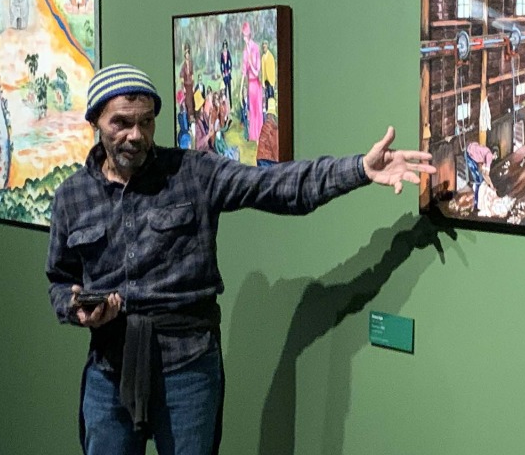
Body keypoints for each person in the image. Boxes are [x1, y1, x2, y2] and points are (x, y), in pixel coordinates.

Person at [45, 64, 435, 455]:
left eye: (146, 122)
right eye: (121, 123)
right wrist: (77, 309)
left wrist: (360, 169)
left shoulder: (191, 173)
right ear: (95, 121)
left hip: (186, 367)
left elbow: (276, 186)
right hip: (110, 367)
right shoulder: (71, 198)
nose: (136, 135)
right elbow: (60, 281)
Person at [241, 21, 262, 141]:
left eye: (245, 36)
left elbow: (257, 71)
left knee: (257, 109)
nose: (244, 38)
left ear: (248, 35)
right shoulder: (245, 51)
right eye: (243, 36)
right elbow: (244, 71)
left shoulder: (255, 48)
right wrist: (240, 90)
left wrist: (250, 63)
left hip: (256, 83)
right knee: (252, 109)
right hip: (250, 84)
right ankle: (253, 135)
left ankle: (259, 134)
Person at [464, 141, 495, 211]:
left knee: (480, 179)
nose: (495, 157)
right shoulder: (489, 156)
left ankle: (477, 204)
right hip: (470, 155)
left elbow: (484, 173)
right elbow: (486, 174)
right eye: (495, 156)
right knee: (478, 181)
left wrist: (490, 184)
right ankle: (476, 205)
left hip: (471, 150)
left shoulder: (486, 155)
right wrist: (491, 186)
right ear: (494, 154)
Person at [261, 40, 276, 106]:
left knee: (271, 96)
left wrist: (273, 82)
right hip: (265, 80)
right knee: (266, 97)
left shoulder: (271, 56)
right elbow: (262, 70)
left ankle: (271, 109)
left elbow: (273, 70)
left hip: (270, 80)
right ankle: (267, 110)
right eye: (263, 46)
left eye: (265, 45)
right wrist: (263, 82)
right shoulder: (263, 57)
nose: (264, 47)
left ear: (267, 46)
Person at [219, 40, 232, 104]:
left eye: (225, 45)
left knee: (229, 89)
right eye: (224, 45)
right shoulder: (222, 54)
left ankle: (231, 104)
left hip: (228, 73)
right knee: (225, 89)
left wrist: (230, 69)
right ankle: (226, 104)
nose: (225, 47)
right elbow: (221, 64)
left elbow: (230, 62)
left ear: (226, 46)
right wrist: (222, 73)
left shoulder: (228, 52)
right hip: (224, 73)